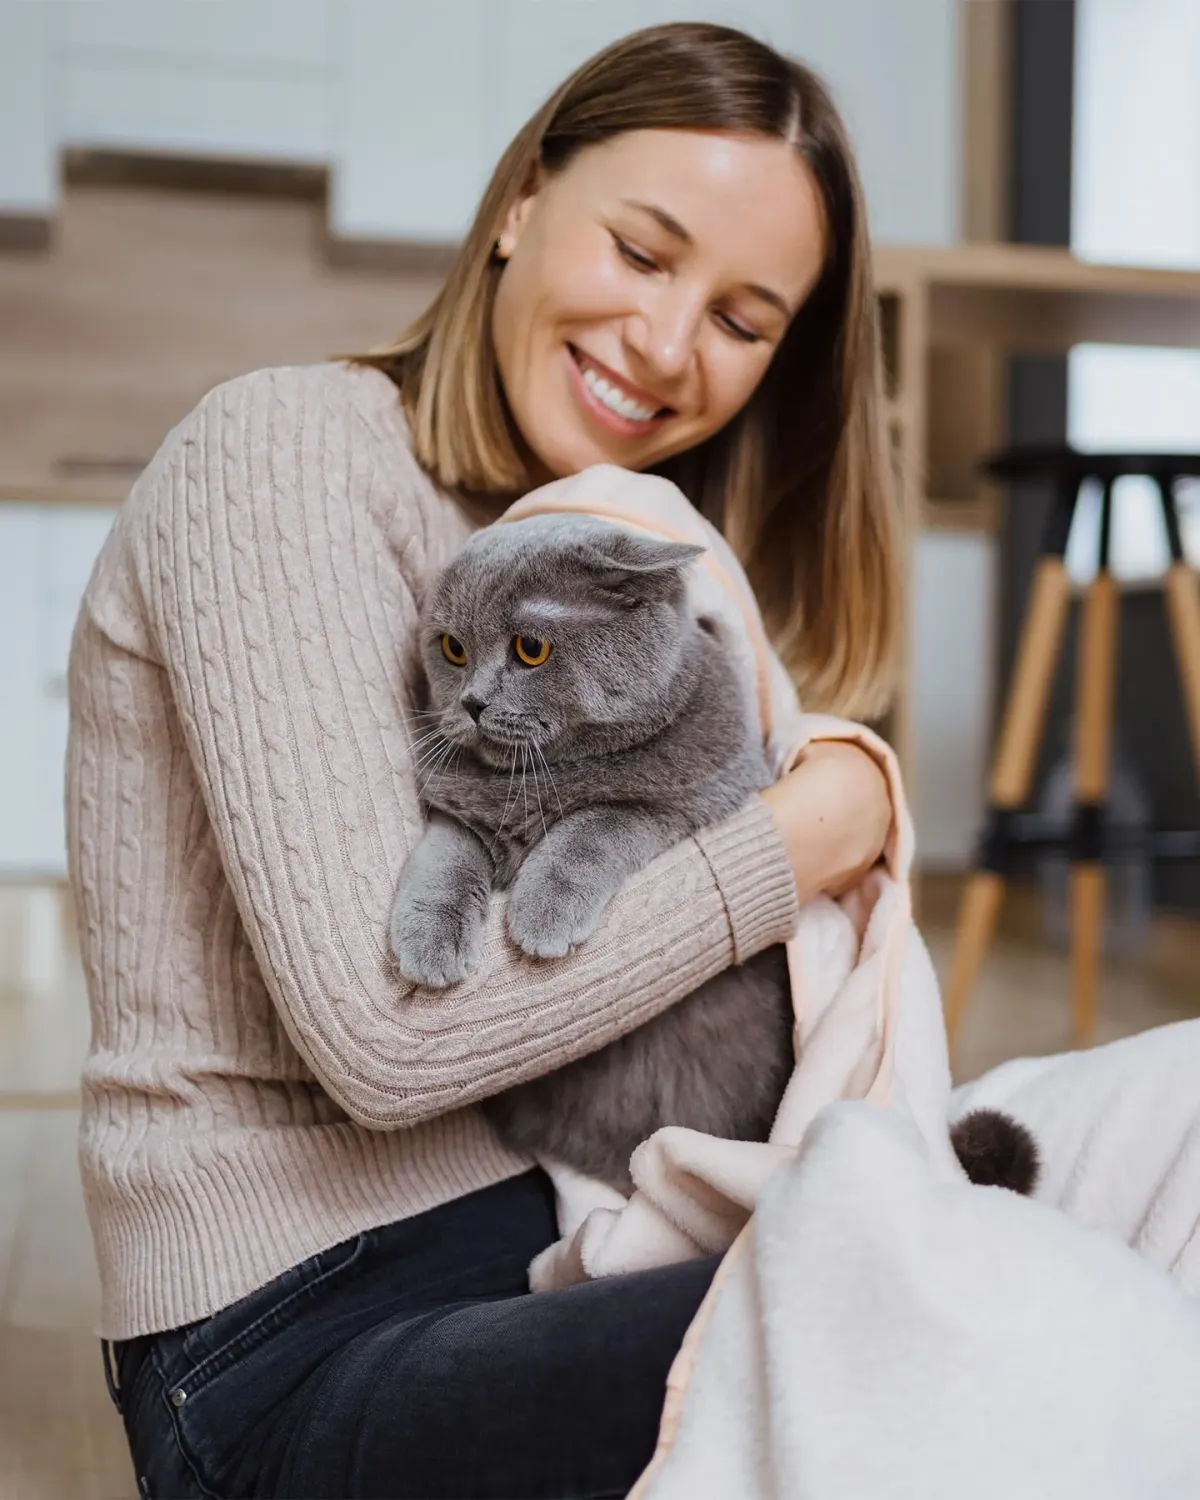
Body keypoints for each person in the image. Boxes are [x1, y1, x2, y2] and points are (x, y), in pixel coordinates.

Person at [69, 21, 898, 1500]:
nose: (666, 344)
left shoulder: (619, 559)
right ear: (521, 200)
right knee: (894, 1316)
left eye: (741, 316)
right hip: (282, 1336)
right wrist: (793, 844)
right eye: (645, 253)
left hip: (552, 1238)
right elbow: (390, 1041)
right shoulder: (285, 451)